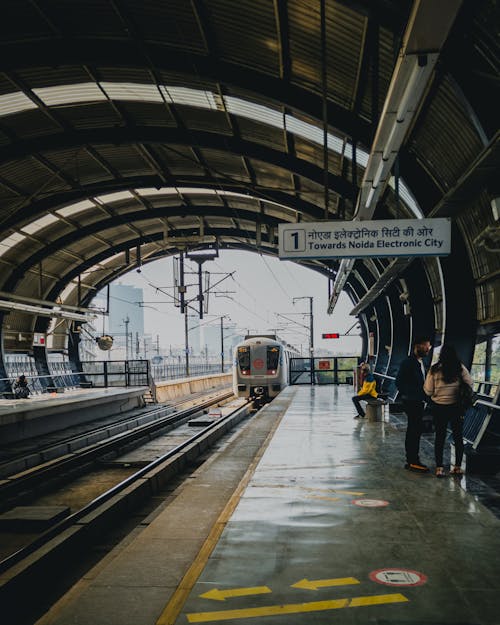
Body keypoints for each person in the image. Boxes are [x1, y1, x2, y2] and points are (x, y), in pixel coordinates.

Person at [423, 344, 473, 477]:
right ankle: (457, 467)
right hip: (456, 407)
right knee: (458, 437)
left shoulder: (434, 370)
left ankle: (439, 468)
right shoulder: (460, 368)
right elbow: (469, 384)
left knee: (440, 437)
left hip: (439, 407)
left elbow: (428, 390)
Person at [395, 336, 432, 472]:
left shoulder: (421, 362)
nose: (428, 349)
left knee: (415, 430)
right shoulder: (408, 362)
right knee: (413, 431)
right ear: (417, 346)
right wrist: (411, 395)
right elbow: (398, 382)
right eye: (426, 346)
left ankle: (412, 460)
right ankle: (412, 461)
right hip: (412, 401)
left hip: (418, 401)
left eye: (429, 346)